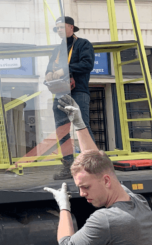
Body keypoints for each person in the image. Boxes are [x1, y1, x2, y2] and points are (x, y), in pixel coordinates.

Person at [44, 95, 152, 245]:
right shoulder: (139, 203)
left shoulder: (106, 220)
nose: (81, 193)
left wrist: (64, 207)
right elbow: (97, 164)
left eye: (85, 187)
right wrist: (79, 124)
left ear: (106, 181)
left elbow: (66, 243)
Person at [46, 16, 95, 180]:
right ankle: (69, 167)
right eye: (57, 28)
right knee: (62, 130)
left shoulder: (83, 44)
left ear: (71, 28)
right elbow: (50, 66)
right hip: (60, 91)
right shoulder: (57, 49)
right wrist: (48, 74)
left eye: (61, 27)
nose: (58, 30)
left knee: (83, 127)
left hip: (78, 91)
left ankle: (92, 166)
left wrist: (65, 69)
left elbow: (87, 65)